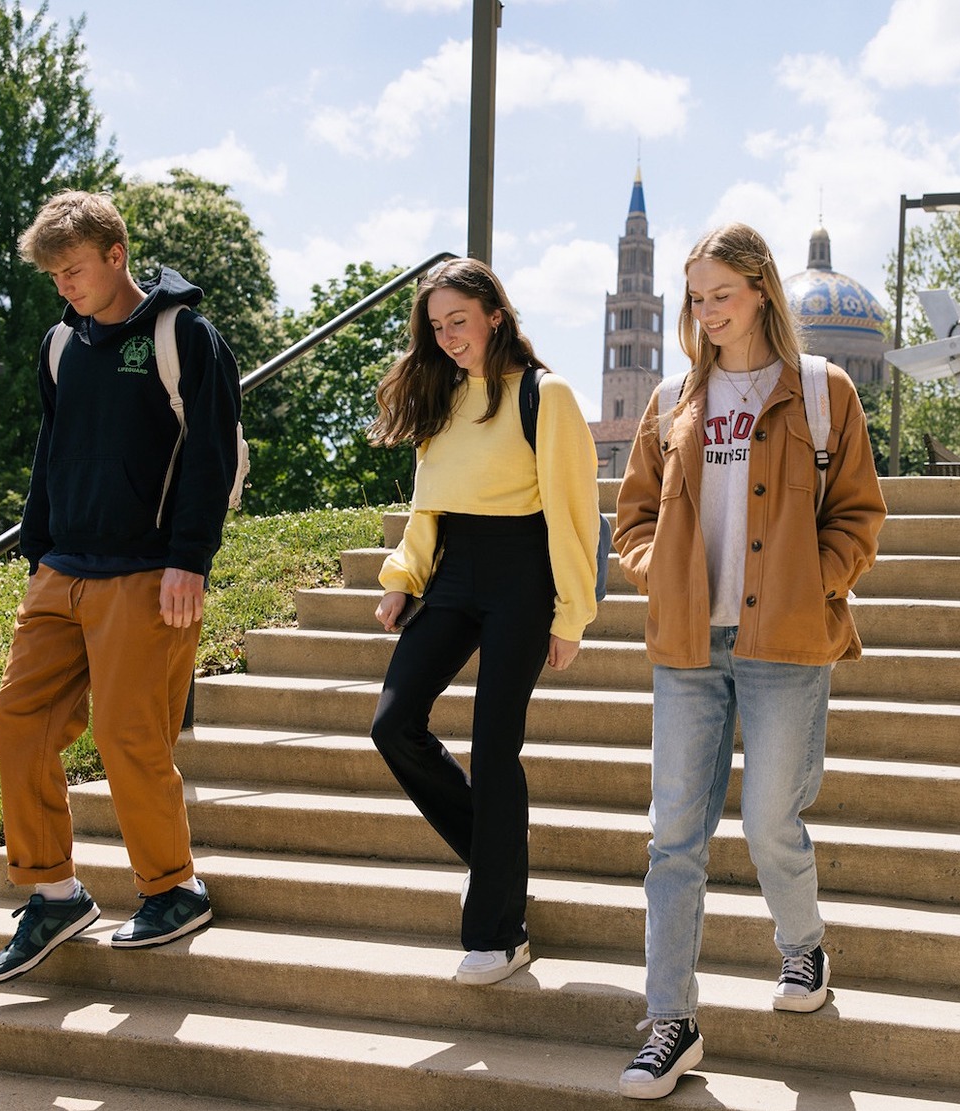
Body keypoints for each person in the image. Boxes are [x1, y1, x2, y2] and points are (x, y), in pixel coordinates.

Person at [611, 223, 886, 1098]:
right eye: (696, 297)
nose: (706, 311)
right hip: (690, 646)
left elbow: (859, 514)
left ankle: (803, 947)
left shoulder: (819, 390)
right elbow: (633, 522)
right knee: (673, 838)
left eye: (720, 294)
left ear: (762, 289)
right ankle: (670, 1020)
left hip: (786, 643)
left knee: (770, 820)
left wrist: (818, 582)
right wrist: (666, 578)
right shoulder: (672, 398)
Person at [0, 190, 242, 984]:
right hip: (64, 569)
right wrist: (40, 553)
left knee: (130, 735)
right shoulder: (62, 342)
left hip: (148, 571)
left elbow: (212, 454)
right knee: (16, 723)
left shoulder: (182, 334)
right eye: (54, 275)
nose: (64, 284)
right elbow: (50, 453)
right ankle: (53, 893)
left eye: (75, 269)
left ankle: (172, 886)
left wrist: (190, 559)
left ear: (116, 255)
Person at [367, 258, 600, 987]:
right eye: (435, 328)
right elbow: (426, 502)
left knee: (495, 745)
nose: (447, 338)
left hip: (523, 573)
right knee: (392, 722)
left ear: (494, 313)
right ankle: (502, 863)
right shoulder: (440, 395)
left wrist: (572, 612)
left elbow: (572, 508)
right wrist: (403, 579)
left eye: (458, 321)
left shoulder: (544, 394)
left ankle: (499, 932)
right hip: (454, 570)